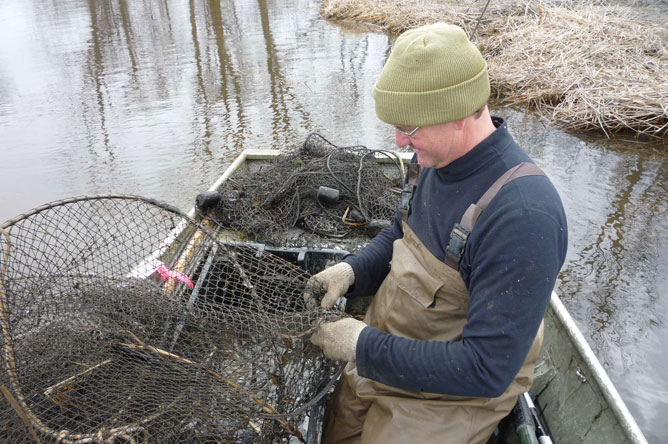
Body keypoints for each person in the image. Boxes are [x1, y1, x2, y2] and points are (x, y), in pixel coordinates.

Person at [307, 22, 568, 444]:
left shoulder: (522, 216)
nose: (399, 140)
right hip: (387, 355)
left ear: (462, 112)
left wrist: (362, 346)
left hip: (451, 396)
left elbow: (486, 368)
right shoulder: (433, 160)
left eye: (410, 129)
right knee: (333, 429)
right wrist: (350, 272)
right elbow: (401, 234)